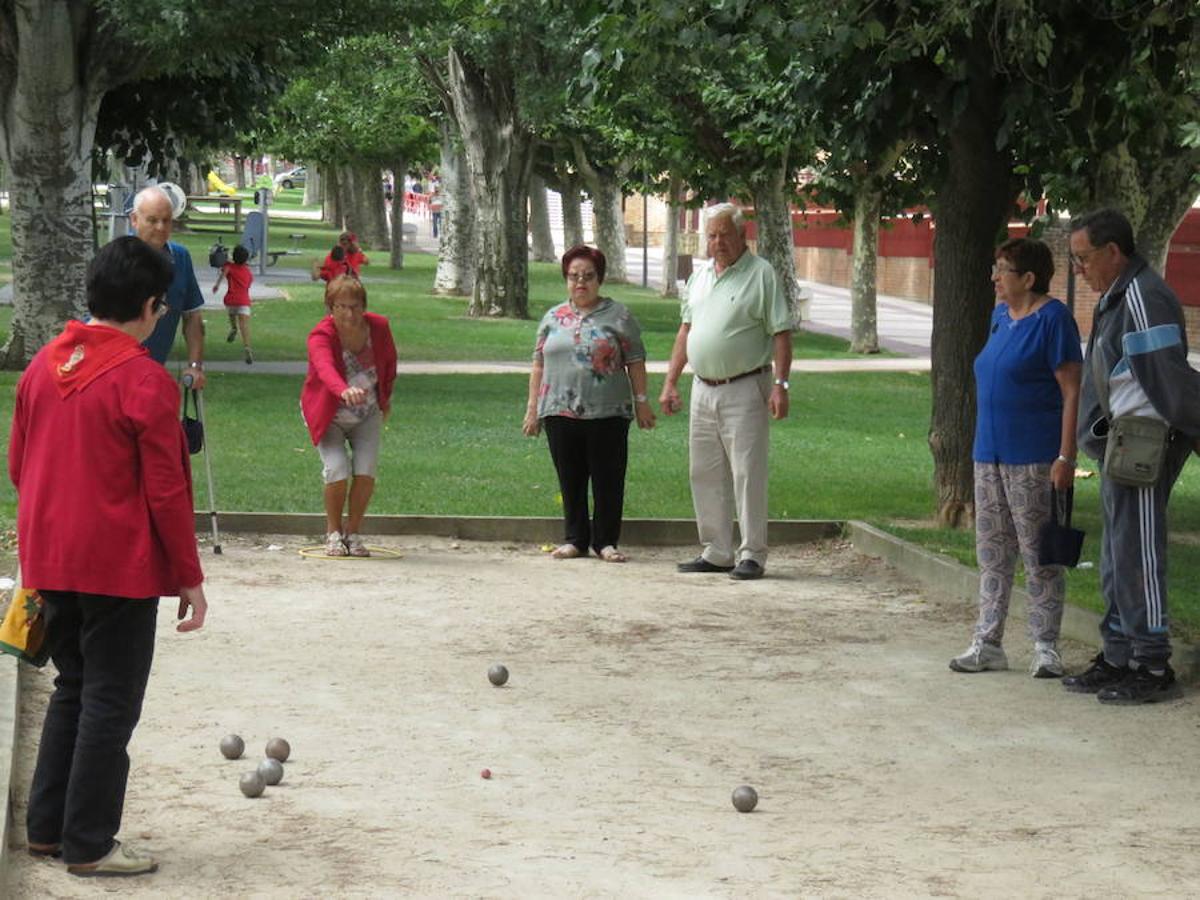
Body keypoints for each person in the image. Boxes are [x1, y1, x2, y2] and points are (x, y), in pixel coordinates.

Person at [9, 236, 207, 877]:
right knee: (109, 701)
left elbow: (18, 466)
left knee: (73, 686)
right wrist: (188, 577)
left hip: (48, 559)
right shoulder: (144, 380)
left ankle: (48, 829)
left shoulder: (41, 366)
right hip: (116, 568)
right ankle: (90, 841)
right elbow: (168, 491)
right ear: (152, 307)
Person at [1061, 208, 1200, 704]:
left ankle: (1152, 663)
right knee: (1118, 552)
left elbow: (1170, 382)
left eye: (1083, 259)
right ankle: (1119, 654)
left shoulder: (1142, 297)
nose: (1079, 270)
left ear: (1114, 252)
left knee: (1138, 551)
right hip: (1122, 443)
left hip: (1145, 444)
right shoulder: (1116, 296)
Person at [948, 238, 1082, 678]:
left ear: (1028, 278)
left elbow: (1071, 391)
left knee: (1038, 554)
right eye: (995, 267)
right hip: (988, 454)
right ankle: (987, 641)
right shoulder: (999, 318)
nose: (994, 277)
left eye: (1003, 269)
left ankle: (1045, 646)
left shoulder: (1054, 319)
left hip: (1034, 457)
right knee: (991, 552)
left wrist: (1065, 455)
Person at [658, 203, 793, 580]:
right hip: (703, 388)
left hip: (745, 387)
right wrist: (671, 381)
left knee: (748, 472)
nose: (717, 242)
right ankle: (717, 550)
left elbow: (781, 333)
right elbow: (686, 331)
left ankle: (752, 553)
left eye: (724, 234)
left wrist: (781, 385)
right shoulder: (700, 277)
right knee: (704, 470)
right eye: (712, 235)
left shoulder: (761, 274)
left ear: (742, 234)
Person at [522, 245, 656, 562]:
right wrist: (533, 408)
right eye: (573, 276)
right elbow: (539, 364)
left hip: (608, 411)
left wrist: (642, 402)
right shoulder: (552, 318)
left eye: (588, 276)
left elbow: (635, 360)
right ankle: (576, 539)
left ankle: (606, 541)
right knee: (570, 477)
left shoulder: (619, 316)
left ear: (600, 279)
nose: (580, 282)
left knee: (608, 477)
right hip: (558, 409)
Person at [301, 275, 397, 557]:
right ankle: (332, 532)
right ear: (331, 307)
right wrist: (343, 390)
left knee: (366, 470)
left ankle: (352, 531)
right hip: (328, 411)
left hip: (366, 412)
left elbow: (389, 363)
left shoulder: (378, 327)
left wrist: (385, 398)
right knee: (336, 468)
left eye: (355, 306)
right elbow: (324, 368)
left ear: (364, 306)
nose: (349, 313)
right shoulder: (321, 335)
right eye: (341, 306)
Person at [128, 186, 207, 388]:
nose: (161, 228)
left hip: (153, 374)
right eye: (152, 220)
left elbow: (192, 317)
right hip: (117, 372)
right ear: (134, 220)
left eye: (167, 220)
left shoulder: (180, 258)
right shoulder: (118, 260)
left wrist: (195, 365)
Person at [213, 244, 254, 364]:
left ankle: (233, 328)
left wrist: (217, 285)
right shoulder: (247, 272)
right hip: (244, 301)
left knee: (232, 315)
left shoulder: (229, 266)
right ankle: (247, 348)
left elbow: (223, 273)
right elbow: (249, 283)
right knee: (244, 325)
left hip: (231, 299)